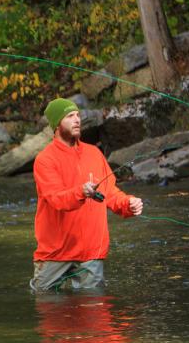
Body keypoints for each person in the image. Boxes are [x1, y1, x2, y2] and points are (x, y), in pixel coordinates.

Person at [30, 98, 143, 292]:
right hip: (55, 252)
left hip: (92, 251)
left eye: (77, 115)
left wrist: (128, 203)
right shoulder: (45, 160)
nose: (77, 120)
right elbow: (57, 198)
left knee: (93, 314)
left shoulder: (94, 154)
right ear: (57, 124)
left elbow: (110, 193)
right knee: (48, 309)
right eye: (69, 116)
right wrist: (81, 192)